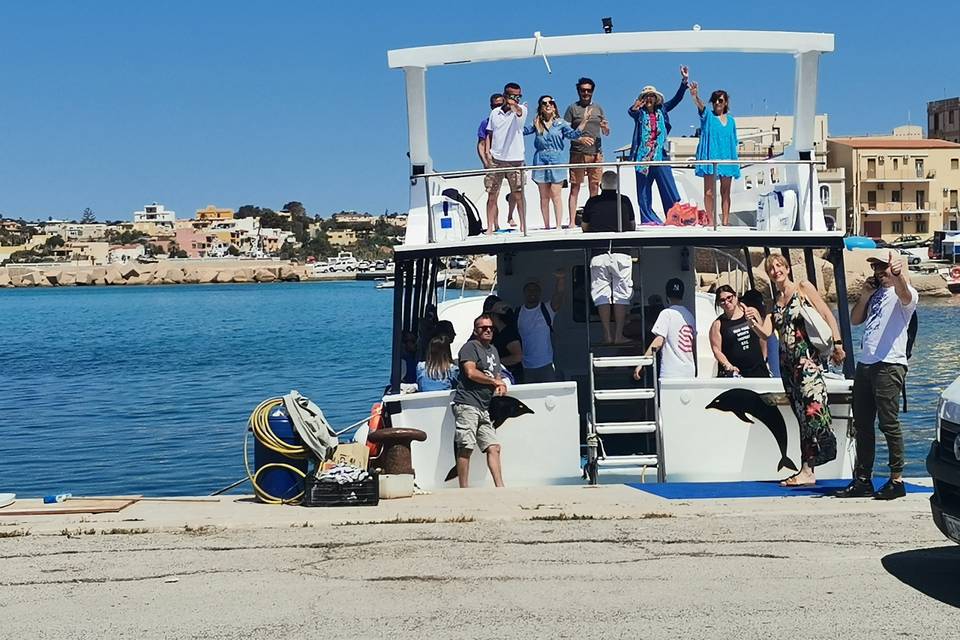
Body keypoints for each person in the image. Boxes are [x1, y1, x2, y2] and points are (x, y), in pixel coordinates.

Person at [744, 254, 846, 487]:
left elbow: (827, 314)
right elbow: (766, 333)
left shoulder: (802, 288)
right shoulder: (775, 301)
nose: (775, 271)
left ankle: (822, 451)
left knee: (813, 411)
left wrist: (837, 344)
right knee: (801, 417)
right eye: (771, 269)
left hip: (807, 362)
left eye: (779, 266)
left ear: (787, 268)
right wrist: (753, 321)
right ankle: (806, 471)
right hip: (788, 368)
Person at [835, 252, 918, 500]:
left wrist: (898, 276)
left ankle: (897, 480)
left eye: (882, 267)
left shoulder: (906, 294)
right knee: (862, 424)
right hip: (866, 364)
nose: (878, 271)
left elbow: (905, 294)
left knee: (888, 423)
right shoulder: (876, 294)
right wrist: (864, 296)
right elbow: (855, 319)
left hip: (889, 364)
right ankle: (863, 479)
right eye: (875, 267)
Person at [627, 66, 689, 224]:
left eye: (651, 96)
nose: (649, 99)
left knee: (668, 186)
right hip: (643, 157)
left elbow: (677, 99)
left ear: (656, 99)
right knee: (643, 191)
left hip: (660, 155)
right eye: (646, 97)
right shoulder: (640, 114)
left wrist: (684, 81)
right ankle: (648, 219)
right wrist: (635, 106)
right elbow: (631, 112)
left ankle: (674, 216)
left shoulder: (663, 110)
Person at [523, 95, 595, 229]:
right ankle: (546, 226)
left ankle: (557, 226)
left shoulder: (561, 123)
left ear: (555, 107)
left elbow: (573, 135)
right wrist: (517, 116)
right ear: (541, 108)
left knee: (556, 194)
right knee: (544, 196)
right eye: (544, 103)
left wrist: (584, 120)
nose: (548, 105)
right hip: (540, 160)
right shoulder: (536, 123)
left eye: (551, 102)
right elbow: (522, 131)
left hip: (557, 160)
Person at [452, 314, 508, 488]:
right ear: (475, 330)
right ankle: (464, 489)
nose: (488, 330)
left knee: (494, 447)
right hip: (467, 403)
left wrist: (501, 385)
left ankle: (500, 487)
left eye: (491, 327)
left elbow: (497, 375)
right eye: (483, 328)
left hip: (484, 406)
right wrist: (493, 381)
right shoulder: (470, 347)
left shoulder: (493, 350)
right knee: (466, 446)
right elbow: (470, 372)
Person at [582, 171, 636, 344]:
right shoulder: (625, 201)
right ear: (617, 185)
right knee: (621, 294)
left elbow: (584, 227)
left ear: (601, 185)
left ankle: (607, 335)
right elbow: (633, 226)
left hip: (598, 253)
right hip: (621, 253)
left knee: (601, 294)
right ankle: (619, 335)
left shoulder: (592, 202)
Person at [690, 83, 740, 226]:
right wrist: (695, 95)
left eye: (721, 100)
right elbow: (700, 106)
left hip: (727, 157)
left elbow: (734, 140)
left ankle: (725, 221)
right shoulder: (708, 116)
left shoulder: (731, 121)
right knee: (709, 193)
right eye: (715, 100)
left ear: (726, 103)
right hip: (711, 157)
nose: (717, 103)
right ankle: (711, 221)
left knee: (726, 192)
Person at [564, 77, 610, 228]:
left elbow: (606, 132)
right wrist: (580, 139)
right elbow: (565, 133)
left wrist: (605, 128)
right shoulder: (572, 109)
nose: (586, 93)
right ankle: (571, 222)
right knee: (575, 187)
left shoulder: (599, 108)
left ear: (592, 91)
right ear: (578, 91)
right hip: (578, 153)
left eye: (588, 90)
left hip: (596, 153)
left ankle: (593, 218)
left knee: (595, 186)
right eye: (583, 90)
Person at [484, 82, 528, 234]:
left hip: (515, 159)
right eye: (512, 96)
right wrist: (488, 153)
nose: (515, 99)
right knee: (491, 194)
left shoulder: (522, 109)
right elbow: (489, 133)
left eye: (518, 96)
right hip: (496, 160)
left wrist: (514, 104)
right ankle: (490, 227)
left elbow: (519, 113)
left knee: (518, 193)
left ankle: (523, 226)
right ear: (504, 95)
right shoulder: (495, 113)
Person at [636, 278, 696, 380]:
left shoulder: (666, 313)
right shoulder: (689, 315)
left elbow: (659, 341)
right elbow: (694, 344)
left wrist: (642, 362)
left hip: (671, 371)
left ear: (666, 295)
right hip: (689, 370)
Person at [709, 285, 769, 378]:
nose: (727, 302)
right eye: (722, 300)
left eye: (729, 298)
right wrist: (727, 365)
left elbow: (762, 336)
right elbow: (716, 350)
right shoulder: (717, 324)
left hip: (758, 369)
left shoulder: (751, 313)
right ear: (719, 303)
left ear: (735, 296)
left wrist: (764, 357)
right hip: (736, 373)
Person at [516, 270, 566, 382]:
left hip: (546, 365)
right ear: (524, 292)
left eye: (535, 289)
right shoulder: (517, 312)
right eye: (529, 289)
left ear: (540, 292)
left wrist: (561, 279)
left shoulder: (547, 309)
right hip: (525, 367)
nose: (532, 292)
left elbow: (559, 294)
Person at [477, 93, 517, 227]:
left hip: (512, 159)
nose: (497, 107)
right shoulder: (486, 122)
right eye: (494, 105)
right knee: (493, 194)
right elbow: (481, 143)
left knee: (516, 191)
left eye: (499, 105)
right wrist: (485, 161)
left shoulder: (512, 118)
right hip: (494, 161)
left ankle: (510, 216)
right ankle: (495, 224)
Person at [489, 300, 524, 383]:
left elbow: (518, 357)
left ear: (495, 316)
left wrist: (496, 363)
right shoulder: (496, 333)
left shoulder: (509, 334)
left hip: (512, 376)